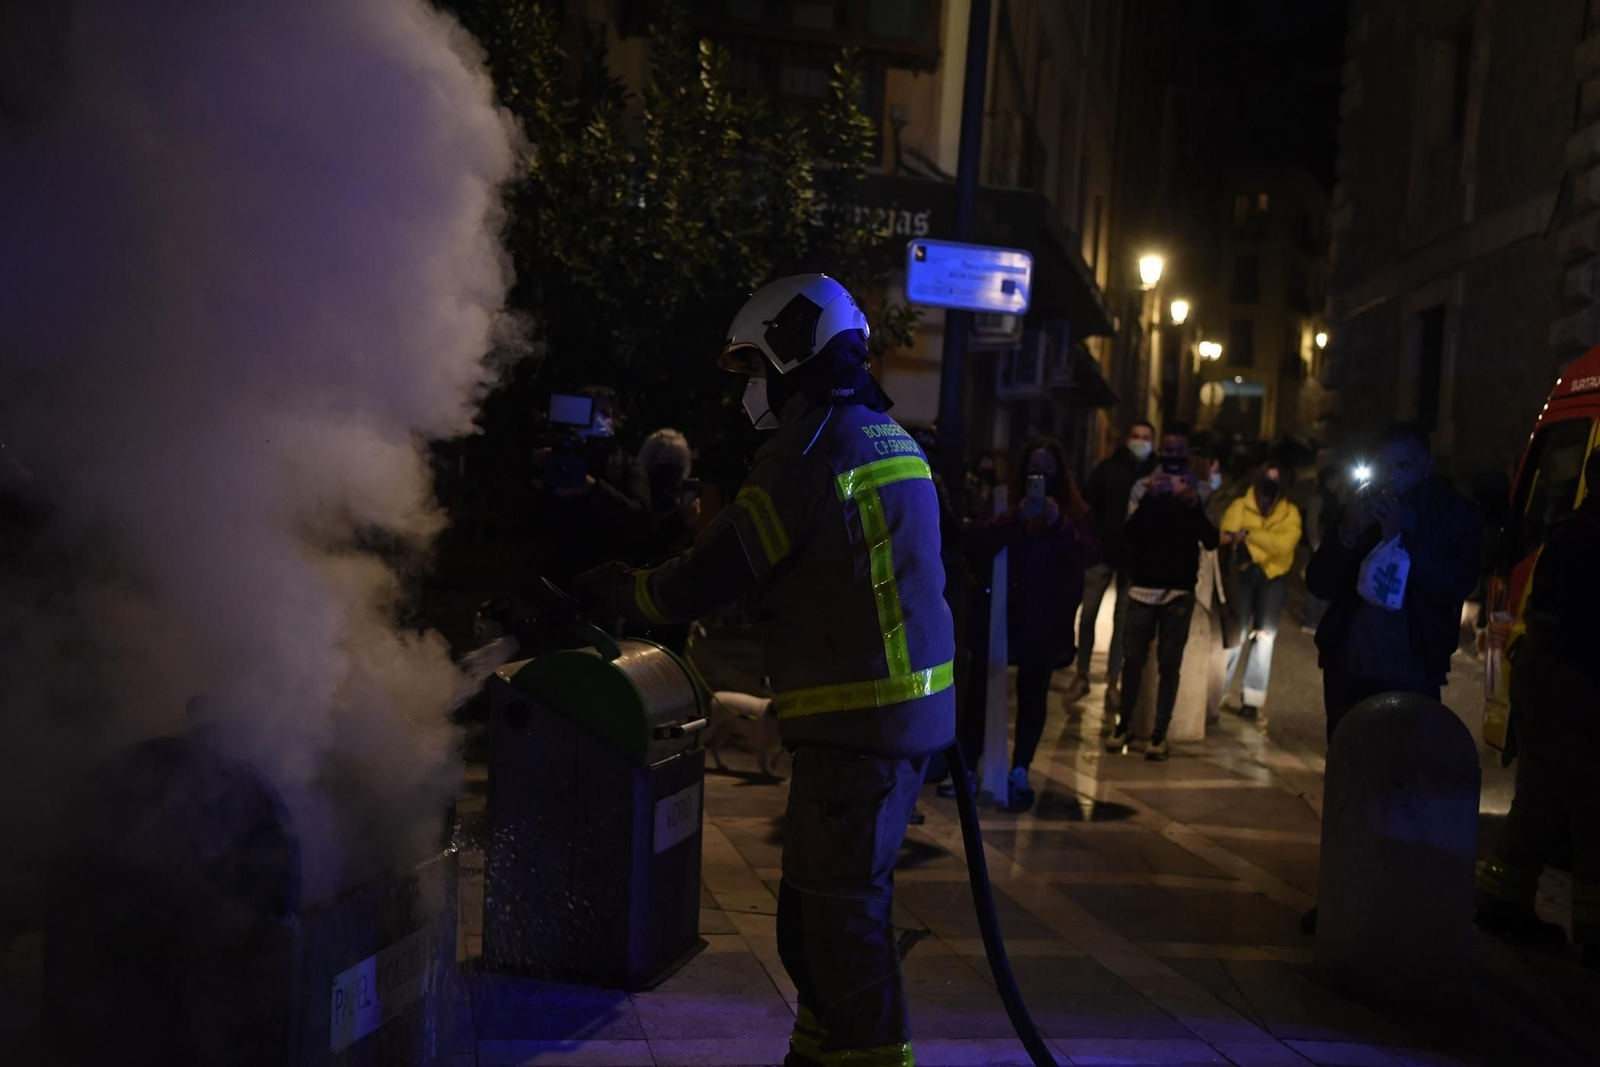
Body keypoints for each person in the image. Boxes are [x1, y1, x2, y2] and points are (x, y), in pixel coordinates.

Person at [572, 274, 951, 1067]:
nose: (750, 390)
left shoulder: (810, 448)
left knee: (840, 925)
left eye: (754, 369)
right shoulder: (884, 434)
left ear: (792, 354)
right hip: (886, 719)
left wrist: (624, 591)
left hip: (861, 725)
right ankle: (816, 1052)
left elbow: (721, 565)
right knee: (815, 915)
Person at [1476, 447, 1600, 967]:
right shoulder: (1589, 537)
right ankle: (1594, 934)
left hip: (1546, 675)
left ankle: (1500, 903)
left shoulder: (1571, 533)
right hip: (1573, 682)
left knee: (1540, 798)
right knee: (1591, 809)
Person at [1305, 422, 1480, 743]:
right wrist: (1347, 533)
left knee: (1404, 765)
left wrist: (1400, 540)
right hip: (1349, 666)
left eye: (1404, 466)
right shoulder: (1363, 502)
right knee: (1349, 761)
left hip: (1411, 671)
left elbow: (1455, 584)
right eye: (1384, 466)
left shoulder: (1451, 514)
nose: (1392, 476)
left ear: (1426, 466)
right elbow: (1319, 583)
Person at [962, 437, 1099, 809]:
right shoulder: (1004, 502)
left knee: (1033, 695)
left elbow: (1088, 553)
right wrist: (1014, 518)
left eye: (1048, 471)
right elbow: (976, 543)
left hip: (1045, 617)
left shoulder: (1073, 512)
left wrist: (1059, 523)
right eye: (1035, 470)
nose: (1041, 477)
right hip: (1000, 613)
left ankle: (1020, 768)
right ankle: (969, 766)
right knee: (980, 694)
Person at [1106, 423, 1223, 761]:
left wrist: (1192, 503)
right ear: (1161, 450)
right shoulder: (1142, 487)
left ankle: (1160, 733)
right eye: (1168, 450)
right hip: (1143, 586)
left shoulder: (1200, 489)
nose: (1173, 457)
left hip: (1179, 591)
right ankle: (1123, 724)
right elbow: (1129, 534)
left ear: (1187, 453)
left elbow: (1211, 539)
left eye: (1179, 451)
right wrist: (1150, 499)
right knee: (1133, 661)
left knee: (1170, 664)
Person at [1067, 420, 1157, 706]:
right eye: (1135, 435)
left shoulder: (1156, 475)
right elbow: (1088, 506)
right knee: (1088, 615)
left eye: (1145, 437)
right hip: (1102, 554)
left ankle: (1113, 682)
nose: (1140, 441)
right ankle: (1082, 674)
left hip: (1134, 559)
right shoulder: (1108, 469)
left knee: (1123, 624)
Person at [531, 384, 651, 583]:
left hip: (607, 575)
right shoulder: (555, 457)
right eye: (589, 412)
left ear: (615, 419)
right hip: (556, 573)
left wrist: (593, 489)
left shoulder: (628, 464)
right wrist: (534, 470)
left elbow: (640, 516)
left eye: (605, 413)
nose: (597, 419)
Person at [1219, 462, 1302, 723]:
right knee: (1235, 632)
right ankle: (1217, 690)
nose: (1270, 483)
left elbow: (1284, 545)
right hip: (1242, 576)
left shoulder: (1290, 512)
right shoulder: (1240, 505)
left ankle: (1252, 701)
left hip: (1273, 578)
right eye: (1267, 477)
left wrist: (1251, 535)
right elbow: (1228, 533)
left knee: (1264, 637)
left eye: (1276, 479)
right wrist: (1262, 542)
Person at [1300, 467, 1344, 632]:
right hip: (1320, 547)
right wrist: (1317, 547)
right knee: (1315, 581)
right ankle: (1311, 620)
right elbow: (1312, 524)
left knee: (1327, 582)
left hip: (1330, 548)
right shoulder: (1318, 498)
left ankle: (1319, 620)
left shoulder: (1336, 497)